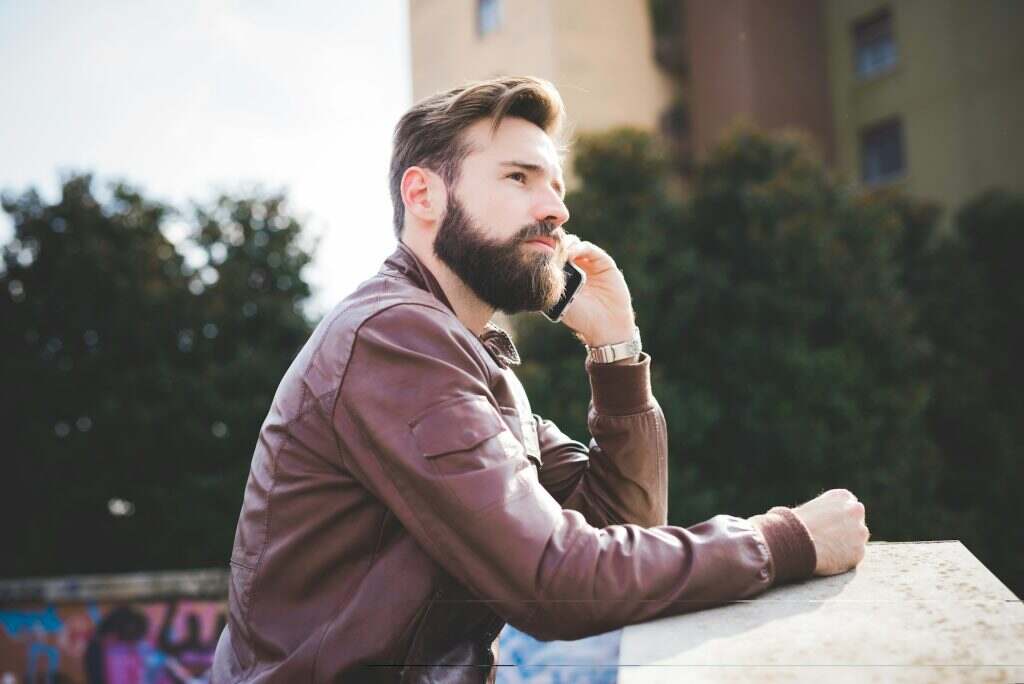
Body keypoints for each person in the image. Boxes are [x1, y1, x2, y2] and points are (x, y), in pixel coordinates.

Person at [211, 76, 869, 683]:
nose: (555, 209)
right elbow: (555, 582)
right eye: (520, 177)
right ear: (424, 195)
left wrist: (615, 351)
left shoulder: (470, 357)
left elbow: (619, 529)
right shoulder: (393, 338)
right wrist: (783, 541)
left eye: (556, 186)